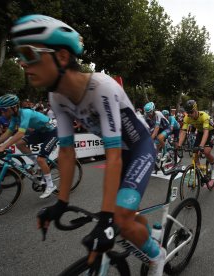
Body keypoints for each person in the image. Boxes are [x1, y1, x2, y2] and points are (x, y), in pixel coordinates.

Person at [10, 14, 165, 275]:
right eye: (19, 56)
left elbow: (113, 157)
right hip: (120, 153)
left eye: (28, 53)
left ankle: (157, 255)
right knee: (125, 217)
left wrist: (105, 218)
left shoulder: (101, 86)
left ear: (60, 57)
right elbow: (68, 151)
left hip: (138, 149)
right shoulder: (56, 96)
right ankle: (150, 235)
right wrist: (61, 202)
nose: (23, 64)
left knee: (119, 219)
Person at [0, 94, 59, 198]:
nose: (2, 112)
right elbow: (7, 134)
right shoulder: (15, 117)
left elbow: (20, 133)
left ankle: (51, 185)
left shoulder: (26, 112)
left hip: (52, 132)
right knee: (20, 143)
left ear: (14, 107)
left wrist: (3, 147)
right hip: (40, 132)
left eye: (4, 109)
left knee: (41, 159)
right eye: (0, 109)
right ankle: (36, 163)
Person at [178, 99, 214, 179]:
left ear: (196, 110)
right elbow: (183, 131)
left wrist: (201, 146)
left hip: (210, 131)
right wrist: (179, 145)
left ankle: (213, 167)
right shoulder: (187, 117)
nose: (190, 115)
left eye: (191, 112)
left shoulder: (204, 116)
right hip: (200, 132)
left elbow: (206, 132)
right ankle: (199, 171)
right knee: (195, 154)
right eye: (188, 113)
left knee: (206, 152)